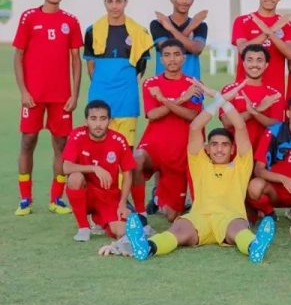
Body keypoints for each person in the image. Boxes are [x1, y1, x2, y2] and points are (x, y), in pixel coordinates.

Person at [124, 81, 276, 263]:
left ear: (232, 149)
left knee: (238, 230)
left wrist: (224, 101)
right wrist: (217, 102)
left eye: (225, 145)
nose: (219, 149)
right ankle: (147, 247)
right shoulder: (200, 162)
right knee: (178, 230)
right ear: (207, 149)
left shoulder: (241, 165)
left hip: (229, 217)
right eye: (214, 144)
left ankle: (254, 246)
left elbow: (241, 127)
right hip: (199, 217)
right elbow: (195, 126)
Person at [14, 0, 83, 216]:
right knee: (28, 141)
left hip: (61, 96)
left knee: (61, 145)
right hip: (33, 95)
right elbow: (18, 56)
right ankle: (25, 199)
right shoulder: (29, 17)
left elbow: (76, 60)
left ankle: (56, 199)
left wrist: (74, 94)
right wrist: (24, 91)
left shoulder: (70, 21)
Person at [132, 39, 202, 225]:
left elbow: (192, 115)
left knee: (172, 216)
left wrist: (164, 100)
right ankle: (140, 213)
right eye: (167, 55)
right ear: (161, 59)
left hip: (178, 154)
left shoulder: (195, 84)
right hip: (153, 147)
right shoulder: (150, 83)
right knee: (136, 158)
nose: (172, 59)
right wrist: (181, 99)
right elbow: (153, 115)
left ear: (184, 58)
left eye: (177, 54)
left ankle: (160, 197)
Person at [84, 0, 153, 147]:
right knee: (98, 147)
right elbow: (91, 66)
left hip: (126, 98)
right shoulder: (92, 31)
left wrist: (125, 83)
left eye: (118, 1)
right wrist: (103, 83)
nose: (114, 6)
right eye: (110, 1)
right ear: (104, 3)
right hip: (100, 96)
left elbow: (141, 68)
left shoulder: (139, 32)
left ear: (125, 3)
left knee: (126, 148)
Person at [62, 100, 134, 242]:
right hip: (87, 193)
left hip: (108, 196)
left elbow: (128, 174)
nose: (98, 124)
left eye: (103, 119)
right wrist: (94, 168)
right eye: (93, 119)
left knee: (121, 232)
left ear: (109, 121)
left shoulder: (119, 140)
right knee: (75, 177)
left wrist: (122, 203)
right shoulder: (77, 135)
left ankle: (99, 219)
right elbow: (66, 167)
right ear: (86, 121)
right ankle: (84, 228)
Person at [231, 0, 291, 94]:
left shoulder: (288, 25)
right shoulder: (242, 21)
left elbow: (290, 54)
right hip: (245, 89)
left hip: (275, 91)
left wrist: (270, 32)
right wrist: (271, 30)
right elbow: (243, 49)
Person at [220, 45, 284, 150]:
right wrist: (257, 109)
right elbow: (227, 122)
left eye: (259, 60)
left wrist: (254, 112)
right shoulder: (229, 90)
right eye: (250, 60)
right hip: (235, 153)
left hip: (264, 153)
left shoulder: (274, 94)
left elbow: (277, 126)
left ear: (266, 65)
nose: (254, 64)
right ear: (243, 63)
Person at [150, 0, 208, 79]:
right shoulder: (158, 24)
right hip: (164, 85)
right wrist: (190, 28)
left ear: (192, 1)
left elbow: (196, 49)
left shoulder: (200, 25)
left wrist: (171, 29)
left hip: (192, 85)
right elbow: (168, 49)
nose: (184, 1)